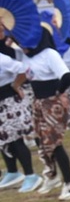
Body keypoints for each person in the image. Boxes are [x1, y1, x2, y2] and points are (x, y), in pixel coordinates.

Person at [22, 26, 70, 200]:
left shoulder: (49, 54)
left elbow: (66, 76)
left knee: (55, 143)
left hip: (52, 102)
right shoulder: (26, 55)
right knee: (41, 141)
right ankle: (52, 176)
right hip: (38, 102)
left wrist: (58, 93)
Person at [0, 36, 38, 192]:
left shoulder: (2, 59)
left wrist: (16, 85)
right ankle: (12, 171)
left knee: (16, 139)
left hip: (9, 101)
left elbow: (23, 69)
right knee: (3, 140)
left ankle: (31, 175)